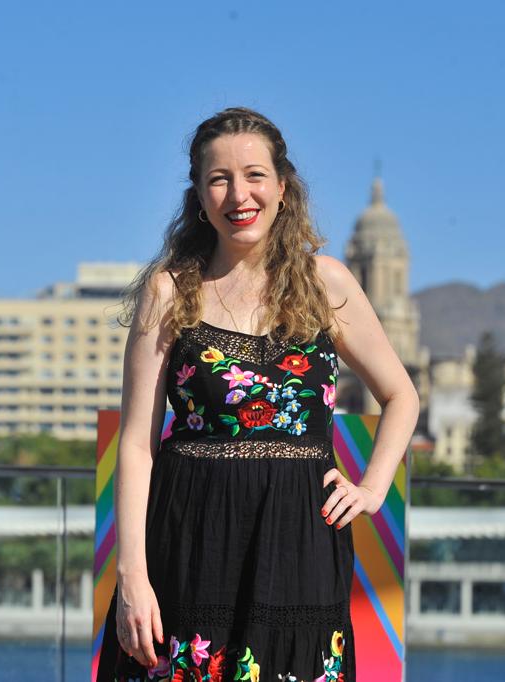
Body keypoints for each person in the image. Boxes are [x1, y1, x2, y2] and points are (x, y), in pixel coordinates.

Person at [98, 107, 419, 682]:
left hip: (299, 538)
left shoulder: (328, 284)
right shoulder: (168, 291)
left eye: (253, 175)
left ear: (282, 187)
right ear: (198, 195)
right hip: (190, 535)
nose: (237, 193)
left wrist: (372, 488)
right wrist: (132, 576)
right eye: (218, 178)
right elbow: (137, 446)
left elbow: (401, 396)